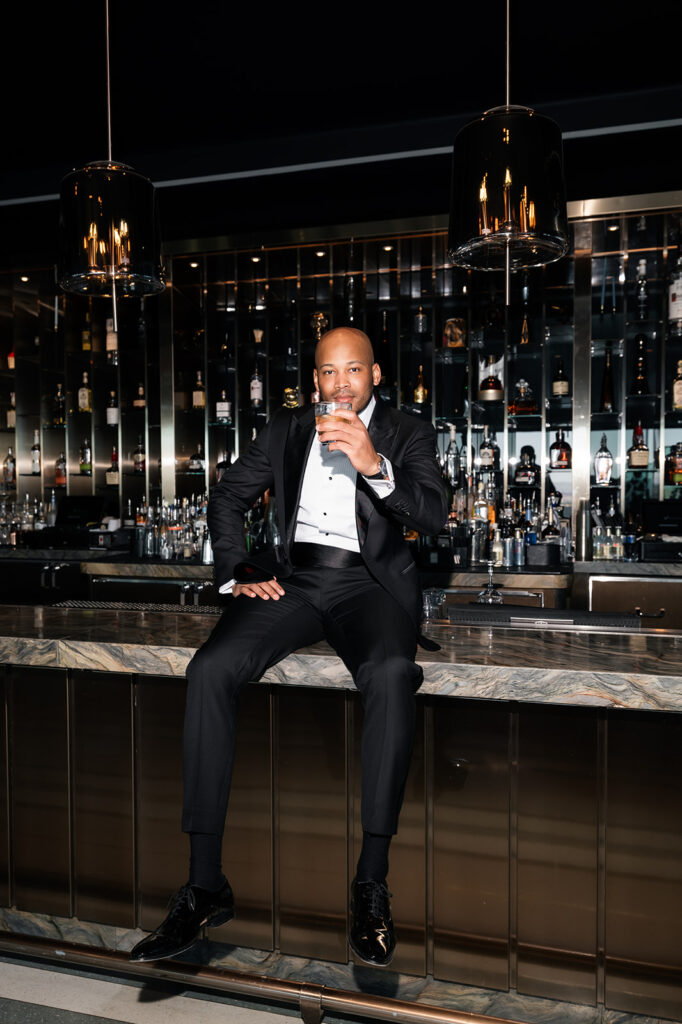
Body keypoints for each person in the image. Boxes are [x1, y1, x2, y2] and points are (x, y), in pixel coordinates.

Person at [130, 327, 448, 967]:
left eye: (353, 371)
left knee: (390, 674)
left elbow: (435, 514)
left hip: (371, 586)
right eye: (328, 374)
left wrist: (374, 466)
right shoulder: (286, 429)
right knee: (211, 668)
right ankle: (203, 883)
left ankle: (371, 881)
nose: (340, 385)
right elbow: (228, 497)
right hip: (298, 581)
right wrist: (238, 569)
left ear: (375, 376)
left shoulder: (407, 432)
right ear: (315, 383)